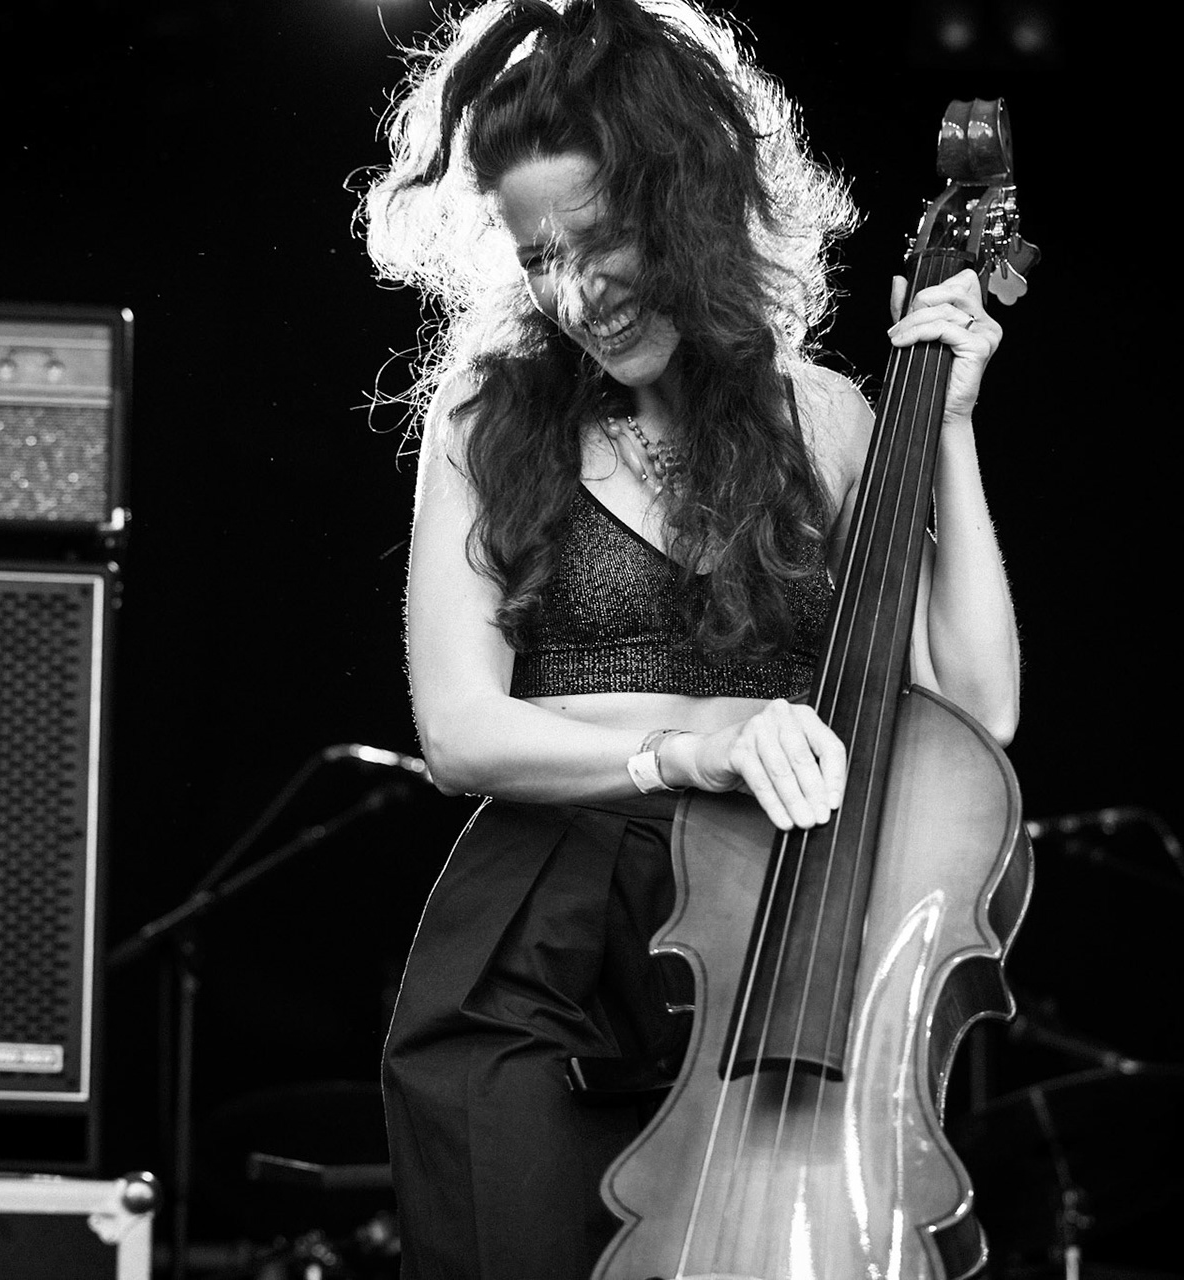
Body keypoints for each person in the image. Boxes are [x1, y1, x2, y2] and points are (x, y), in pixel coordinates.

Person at [358, 1, 1021, 1276]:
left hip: (766, 950)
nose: (575, 293)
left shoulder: (823, 416)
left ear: (690, 202)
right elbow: (459, 731)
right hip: (534, 964)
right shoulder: (487, 417)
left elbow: (970, 720)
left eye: (600, 239)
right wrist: (695, 743)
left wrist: (944, 423)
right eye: (537, 255)